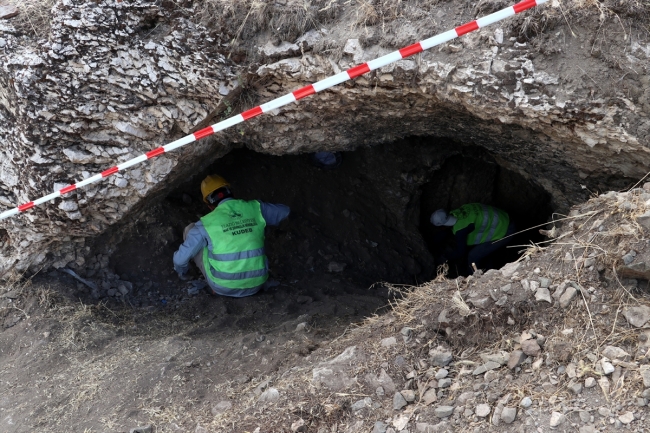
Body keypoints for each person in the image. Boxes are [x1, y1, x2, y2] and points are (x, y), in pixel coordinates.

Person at [173, 175, 290, 297]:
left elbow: (179, 260)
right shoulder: (256, 208)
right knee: (260, 226)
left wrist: (183, 273)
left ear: (209, 205)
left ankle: (213, 283)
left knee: (191, 231)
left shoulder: (205, 225)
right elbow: (285, 211)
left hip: (223, 287)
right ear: (231, 192)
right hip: (257, 283)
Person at [430, 203, 515, 274]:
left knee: (473, 256)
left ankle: (472, 280)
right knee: (483, 252)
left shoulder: (460, 230)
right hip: (504, 217)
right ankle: (489, 268)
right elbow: (447, 230)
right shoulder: (458, 211)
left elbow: (460, 252)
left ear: (443, 226)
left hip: (505, 231)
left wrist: (444, 257)